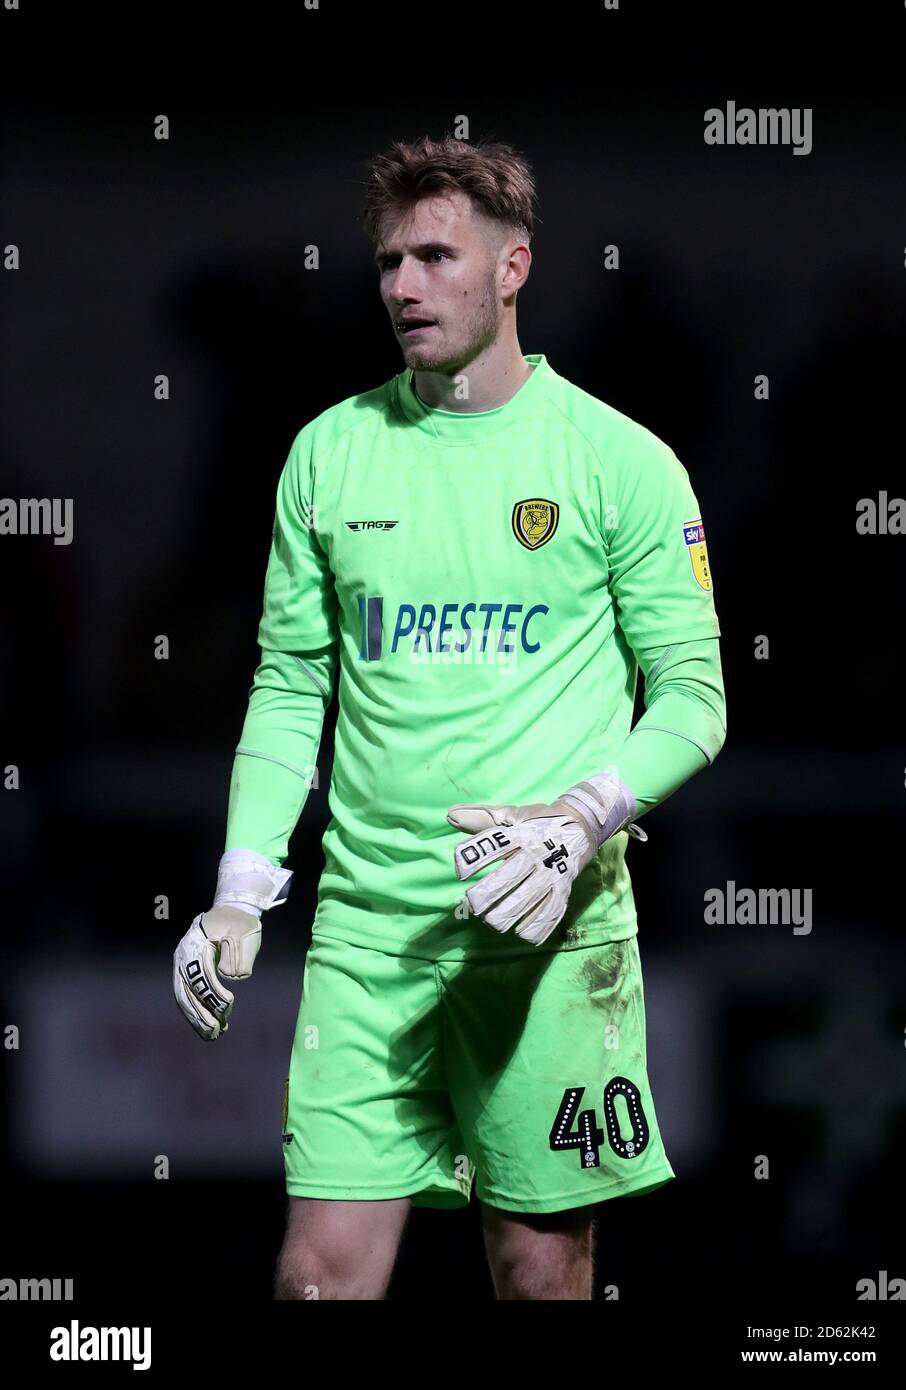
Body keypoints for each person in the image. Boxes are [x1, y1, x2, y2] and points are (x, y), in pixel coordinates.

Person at [173, 134, 726, 1300]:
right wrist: (237, 888)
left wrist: (582, 819)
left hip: (551, 940)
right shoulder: (327, 456)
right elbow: (288, 688)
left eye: (437, 254)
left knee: (538, 1268)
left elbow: (693, 697)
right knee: (318, 1274)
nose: (405, 286)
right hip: (369, 940)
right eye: (388, 262)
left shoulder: (620, 463)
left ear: (513, 267)